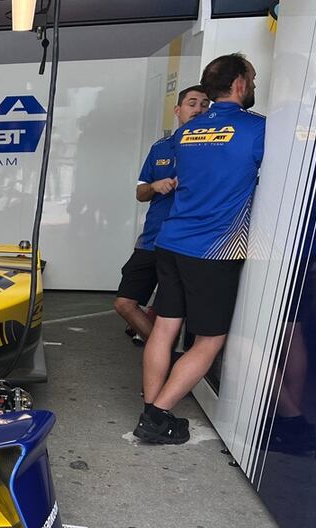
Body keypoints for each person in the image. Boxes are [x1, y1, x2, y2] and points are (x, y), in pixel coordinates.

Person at [136, 53, 265, 445]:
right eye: (253, 78)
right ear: (240, 84)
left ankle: (149, 406)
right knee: (209, 339)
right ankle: (158, 416)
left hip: (171, 241)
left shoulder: (185, 133)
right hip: (215, 249)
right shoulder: (258, 129)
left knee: (165, 326)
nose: (254, 84)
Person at [114, 85, 210, 343]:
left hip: (189, 243)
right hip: (153, 239)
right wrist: (155, 186)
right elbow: (140, 193)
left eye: (204, 104)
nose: (198, 109)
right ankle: (162, 354)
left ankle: (169, 363)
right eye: (192, 103)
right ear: (178, 110)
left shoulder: (215, 149)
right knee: (125, 303)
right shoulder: (161, 148)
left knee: (175, 310)